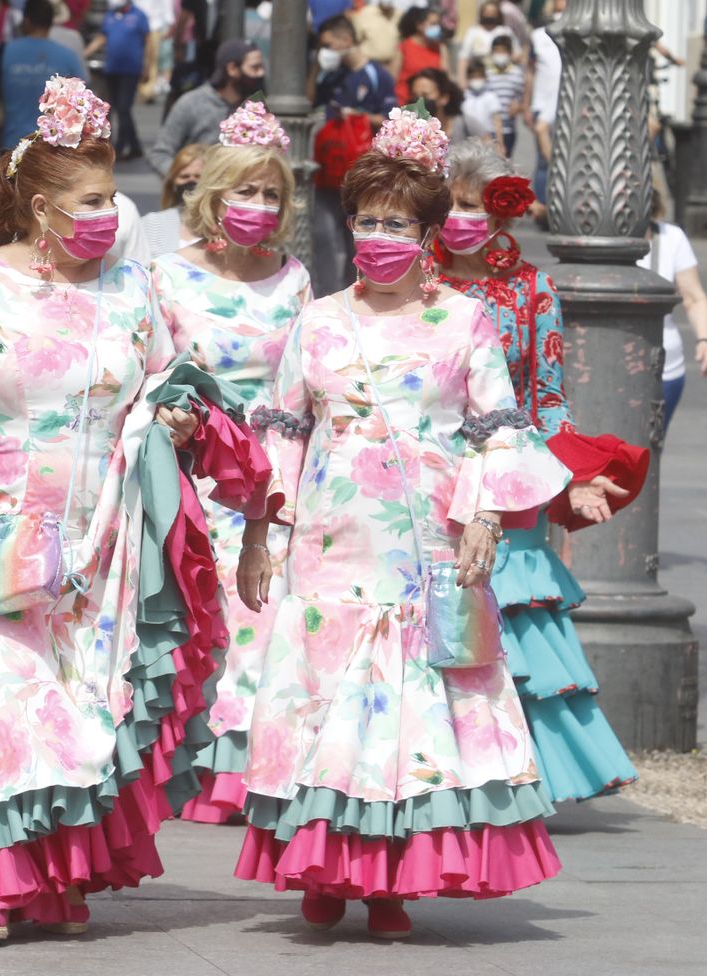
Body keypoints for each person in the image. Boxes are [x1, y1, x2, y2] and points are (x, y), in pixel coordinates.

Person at [0, 75, 267, 943]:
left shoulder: (132, 289)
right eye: (92, 201)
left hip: (106, 530)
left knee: (84, 704)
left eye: (112, 200)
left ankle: (55, 876)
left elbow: (168, 380)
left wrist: (179, 415)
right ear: (40, 207)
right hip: (4, 522)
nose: (110, 215)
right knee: (2, 695)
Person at [232, 107, 569, 938]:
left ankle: (390, 884)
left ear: (428, 234)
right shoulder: (317, 321)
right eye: (368, 221)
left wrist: (487, 514)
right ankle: (321, 864)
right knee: (325, 701)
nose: (379, 237)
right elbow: (282, 431)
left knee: (410, 716)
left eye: (397, 224)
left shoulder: (464, 320)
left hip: (427, 550)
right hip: (329, 545)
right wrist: (259, 535)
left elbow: (497, 427)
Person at [436, 139, 649, 806]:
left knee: (515, 620)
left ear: (500, 212)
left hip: (511, 477)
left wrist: (571, 476)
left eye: (471, 205)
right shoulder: (415, 284)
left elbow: (548, 399)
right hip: (433, 474)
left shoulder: (533, 290)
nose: (459, 217)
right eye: (449, 204)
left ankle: (525, 781)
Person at [152, 103, 312, 823]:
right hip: (192, 464)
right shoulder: (164, 275)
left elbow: (307, 380)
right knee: (194, 615)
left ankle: (244, 772)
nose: (259, 205)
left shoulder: (293, 277)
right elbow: (150, 372)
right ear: (214, 194)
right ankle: (179, 761)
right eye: (245, 190)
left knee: (261, 618)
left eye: (272, 193)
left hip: (270, 469)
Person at [313, 14, 400, 297]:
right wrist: (315, 67)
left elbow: (390, 118)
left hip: (362, 173)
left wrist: (357, 116)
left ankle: (357, 290)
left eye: (329, 45)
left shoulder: (377, 75)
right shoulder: (332, 75)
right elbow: (309, 100)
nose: (326, 51)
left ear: (346, 40)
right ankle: (327, 294)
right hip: (328, 171)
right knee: (324, 238)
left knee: (358, 236)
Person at [639, 192, 707, 437]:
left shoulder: (671, 238)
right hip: (602, 366)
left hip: (663, 369)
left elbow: (693, 297)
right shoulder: (593, 240)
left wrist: (705, 340)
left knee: (649, 447)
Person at [148, 40, 268, 176]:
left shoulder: (257, 107)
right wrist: (186, 178)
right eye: (255, 68)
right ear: (232, 69)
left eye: (261, 67)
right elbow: (160, 154)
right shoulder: (192, 103)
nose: (261, 73)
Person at [0, 0, 84, 153]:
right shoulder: (68, 56)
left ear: (26, 21)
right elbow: (82, 103)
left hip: (12, 145)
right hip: (54, 148)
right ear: (50, 22)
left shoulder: (3, 52)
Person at [86, 0, 150, 161]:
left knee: (123, 108)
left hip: (131, 70)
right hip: (112, 69)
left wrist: (148, 65)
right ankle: (135, 145)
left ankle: (120, 146)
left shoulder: (139, 15)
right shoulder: (110, 15)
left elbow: (148, 42)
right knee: (115, 109)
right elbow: (102, 38)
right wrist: (84, 53)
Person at [140, 143, 207, 258]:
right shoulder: (153, 224)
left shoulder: (226, 228)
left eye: (198, 177)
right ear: (173, 182)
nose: (191, 181)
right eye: (184, 176)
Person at [528, 0, 564, 205]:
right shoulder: (538, 36)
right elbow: (530, 72)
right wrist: (527, 103)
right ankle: (542, 206)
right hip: (542, 103)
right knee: (544, 159)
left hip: (569, 103)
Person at [457, 1, 518, 86]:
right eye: (487, 12)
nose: (490, 15)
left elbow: (517, 54)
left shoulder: (505, 31)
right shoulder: (473, 32)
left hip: (502, 79)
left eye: (493, 12)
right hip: (478, 79)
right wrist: (462, 80)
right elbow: (464, 58)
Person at [483, 36, 525, 158]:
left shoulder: (517, 73)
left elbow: (521, 97)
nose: (500, 54)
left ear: (510, 53)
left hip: (509, 129)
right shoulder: (486, 73)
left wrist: (518, 106)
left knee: (506, 159)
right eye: (497, 51)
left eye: (503, 51)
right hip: (489, 128)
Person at [394, 6, 444, 105]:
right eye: (433, 24)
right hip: (406, 103)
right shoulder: (403, 47)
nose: (437, 28)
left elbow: (444, 80)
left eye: (438, 24)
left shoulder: (440, 48)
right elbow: (393, 79)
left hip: (430, 105)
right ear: (420, 25)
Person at [460, 59, 506, 153]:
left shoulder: (491, 97)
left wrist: (500, 144)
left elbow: (497, 121)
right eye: (473, 77)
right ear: (468, 78)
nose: (476, 79)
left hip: (487, 140)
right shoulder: (464, 97)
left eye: (479, 76)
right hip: (468, 141)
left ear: (485, 77)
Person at [408, 67, 464, 139]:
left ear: (444, 98)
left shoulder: (464, 124)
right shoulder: (408, 130)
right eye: (415, 96)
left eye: (425, 95)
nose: (418, 101)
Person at [350, 0, 402, 78]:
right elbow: (356, 39)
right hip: (368, 65)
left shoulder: (399, 14)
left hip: (390, 67)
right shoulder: (366, 13)